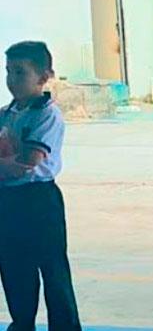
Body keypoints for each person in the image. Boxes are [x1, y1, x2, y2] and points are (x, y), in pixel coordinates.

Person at [0, 41, 82, 330]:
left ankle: (65, 325)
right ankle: (22, 323)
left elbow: (28, 161)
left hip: (38, 199)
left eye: (20, 72)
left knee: (52, 268)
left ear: (44, 77)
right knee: (14, 267)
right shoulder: (5, 113)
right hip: (7, 199)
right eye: (8, 71)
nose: (12, 80)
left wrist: (6, 165)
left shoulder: (46, 114)